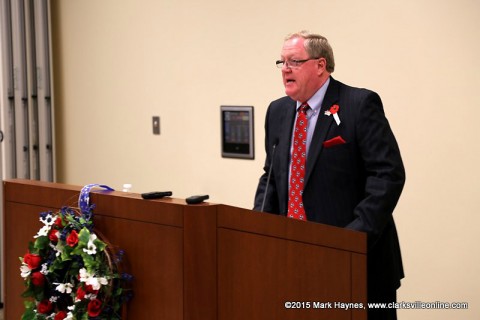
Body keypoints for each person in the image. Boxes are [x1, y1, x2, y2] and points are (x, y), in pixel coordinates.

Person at [253, 31, 406, 320]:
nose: (285, 68)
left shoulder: (359, 104)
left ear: (320, 65)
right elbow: (271, 175)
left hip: (357, 262)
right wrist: (259, 228)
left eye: (294, 61)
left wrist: (350, 241)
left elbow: (387, 176)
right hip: (294, 258)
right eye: (281, 62)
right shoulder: (277, 111)